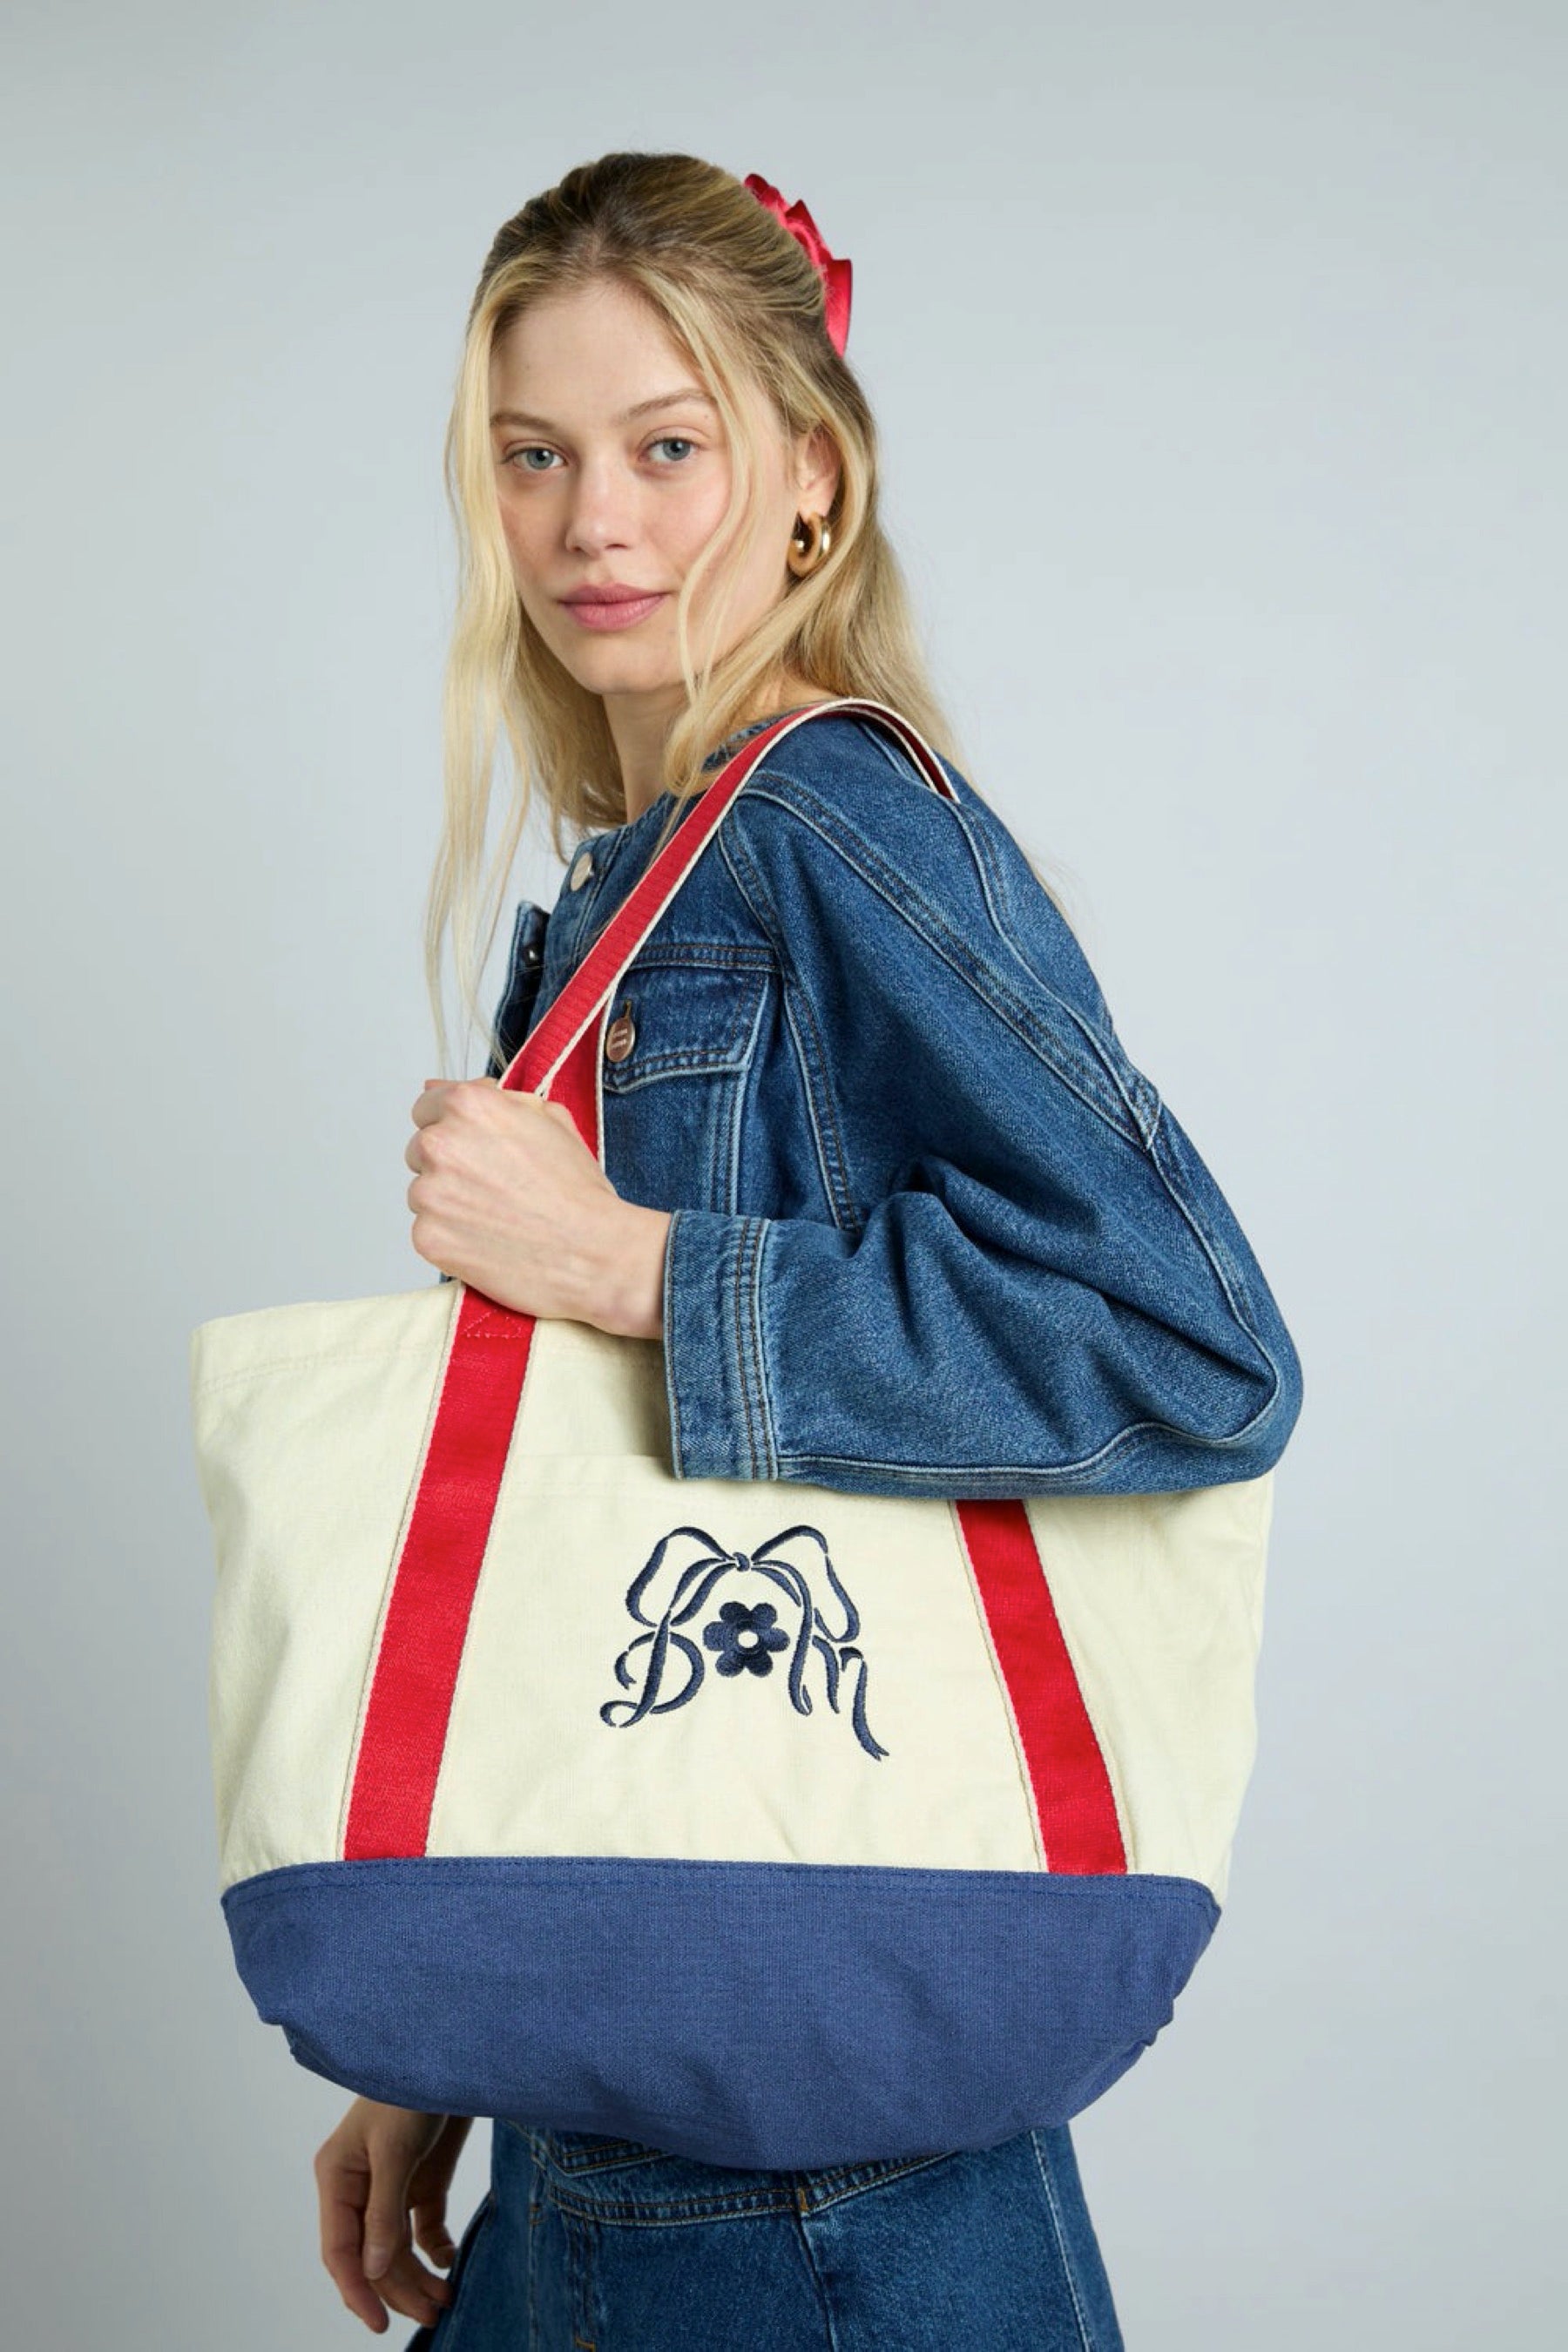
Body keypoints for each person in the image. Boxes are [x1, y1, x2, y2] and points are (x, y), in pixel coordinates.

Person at [308, 151, 1303, 2349]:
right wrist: (446, 2033)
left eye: (668, 448)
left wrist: (634, 1269)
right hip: (599, 2132)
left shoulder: (834, 826)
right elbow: (590, 1542)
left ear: (812, 481)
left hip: (831, 2208)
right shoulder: (634, 877)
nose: (595, 523)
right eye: (534, 457)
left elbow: (1195, 1351)